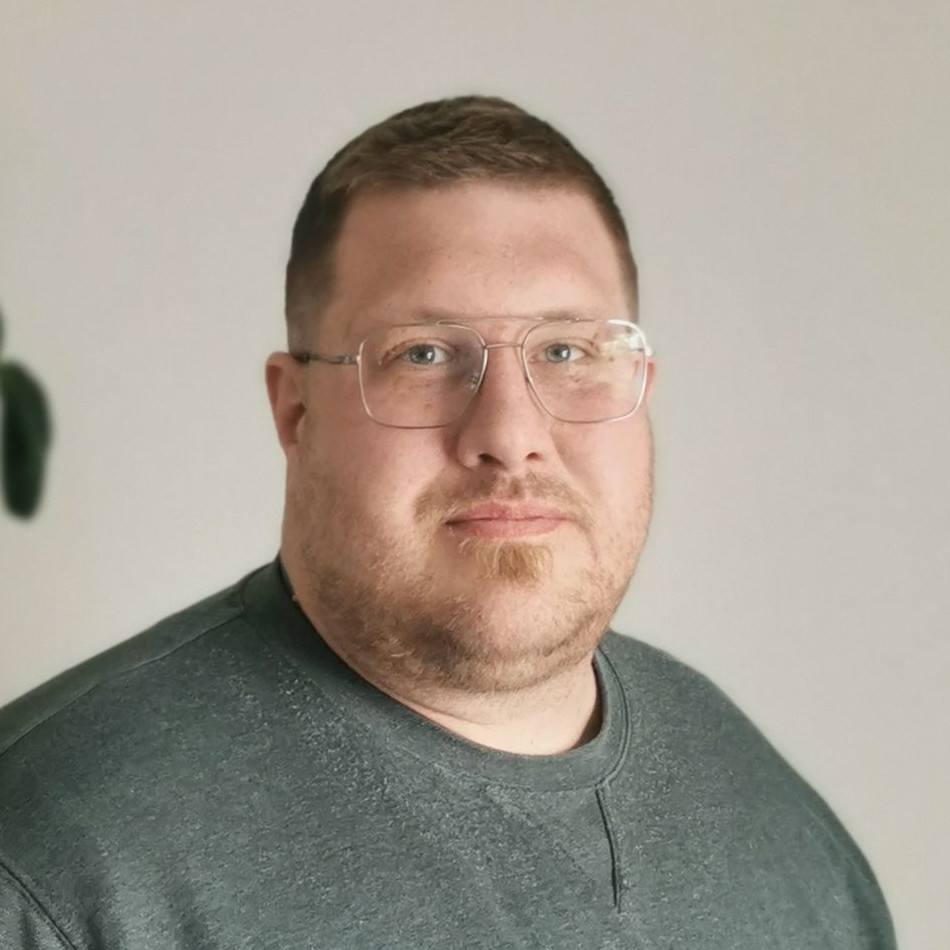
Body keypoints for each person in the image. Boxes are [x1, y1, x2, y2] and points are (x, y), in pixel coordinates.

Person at [0, 96, 896, 949]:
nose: (509, 434)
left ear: (640, 391)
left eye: (567, 351)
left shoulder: (786, 842)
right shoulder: (50, 873)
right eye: (423, 354)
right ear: (296, 411)